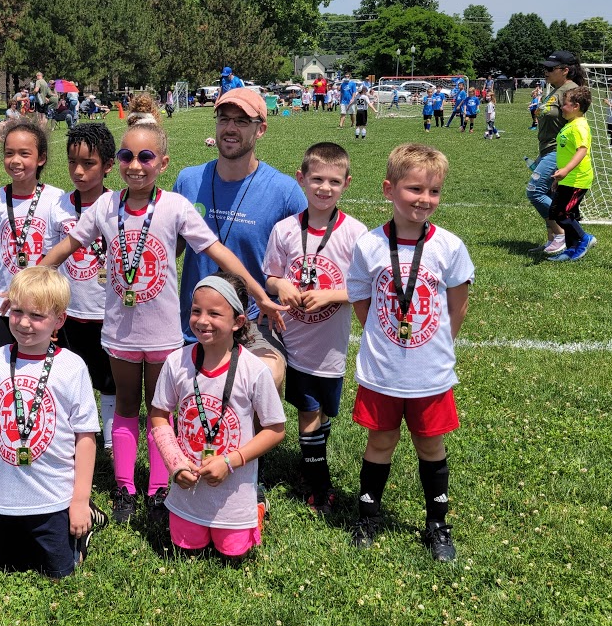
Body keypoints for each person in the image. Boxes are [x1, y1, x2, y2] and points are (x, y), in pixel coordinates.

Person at [42, 117, 280, 526]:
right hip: (119, 331)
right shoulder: (104, 205)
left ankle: (157, 487)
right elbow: (68, 245)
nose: (135, 165)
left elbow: (217, 251)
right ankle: (124, 487)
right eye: (126, 156)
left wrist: (258, 293)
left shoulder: (174, 206)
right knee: (126, 407)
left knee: (160, 410)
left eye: (145, 156)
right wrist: (32, 277)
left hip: (165, 334)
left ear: (163, 163)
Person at [347, 143, 474, 561]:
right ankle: (368, 514)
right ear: (388, 189)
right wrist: (384, 338)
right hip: (382, 370)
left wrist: (436, 345)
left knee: (430, 445)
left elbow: (457, 304)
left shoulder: (449, 247)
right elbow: (362, 301)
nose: (425, 199)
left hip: (429, 372)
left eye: (434, 191)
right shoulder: (368, 245)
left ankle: (437, 524)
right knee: (379, 441)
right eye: (414, 188)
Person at [0, 266, 102, 577]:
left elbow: (85, 436)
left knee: (59, 572)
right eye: (17, 311)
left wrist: (79, 500)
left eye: (37, 316)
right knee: (3, 568)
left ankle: (83, 525)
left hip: (54, 499)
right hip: (1, 500)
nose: (24, 323)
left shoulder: (72, 367)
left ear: (59, 320)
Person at [171, 86, 306, 394]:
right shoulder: (189, 180)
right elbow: (171, 247)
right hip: (197, 320)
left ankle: (251, 439)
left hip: (253, 321)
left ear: (261, 129)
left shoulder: (283, 191)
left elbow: (313, 247)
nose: (230, 128)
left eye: (242, 121)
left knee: (267, 374)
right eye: (224, 119)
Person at [149, 273, 286, 561]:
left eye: (214, 313)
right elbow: (159, 415)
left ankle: (256, 505)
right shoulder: (177, 362)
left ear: (238, 322)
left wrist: (230, 461)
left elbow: (275, 429)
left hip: (233, 490)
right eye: (196, 310)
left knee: (233, 553)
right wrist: (175, 464)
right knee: (187, 550)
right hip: (188, 489)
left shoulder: (253, 370)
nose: (202, 320)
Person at [262, 142, 368, 515]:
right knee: (308, 412)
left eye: (334, 182)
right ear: (301, 179)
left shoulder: (356, 233)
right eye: (317, 179)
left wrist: (331, 296)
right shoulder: (285, 230)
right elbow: (271, 275)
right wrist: (282, 285)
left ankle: (310, 459)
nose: (324, 188)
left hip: (330, 345)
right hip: (291, 339)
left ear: (347, 183)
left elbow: (364, 285)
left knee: (323, 413)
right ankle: (317, 484)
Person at [54, 122, 119, 454]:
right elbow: (50, 258)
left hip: (107, 313)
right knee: (70, 379)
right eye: (71, 162)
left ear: (108, 166)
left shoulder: (118, 206)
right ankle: (73, 440)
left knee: (108, 382)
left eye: (88, 163)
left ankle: (109, 444)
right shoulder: (58, 207)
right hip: (70, 313)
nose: (78, 171)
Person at [0, 120, 65, 352]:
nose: (15, 160)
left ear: (41, 158)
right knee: (5, 367)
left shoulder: (57, 198)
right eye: (9, 153)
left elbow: (60, 257)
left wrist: (56, 307)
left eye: (24, 154)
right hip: (4, 305)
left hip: (43, 305)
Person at [526, 51, 584, 254]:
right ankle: (553, 241)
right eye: (545, 68)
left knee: (535, 191)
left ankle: (567, 233)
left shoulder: (571, 91)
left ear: (565, 70)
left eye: (550, 68)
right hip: (547, 149)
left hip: (558, 151)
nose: (545, 72)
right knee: (549, 193)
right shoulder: (556, 89)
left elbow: (578, 124)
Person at [547, 87, 596, 261]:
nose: (561, 108)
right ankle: (571, 249)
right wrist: (560, 175)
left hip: (577, 179)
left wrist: (567, 170)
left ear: (575, 106)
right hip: (567, 179)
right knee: (564, 213)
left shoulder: (580, 126)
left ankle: (584, 238)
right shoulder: (571, 125)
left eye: (564, 105)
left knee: (561, 214)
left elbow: (582, 150)